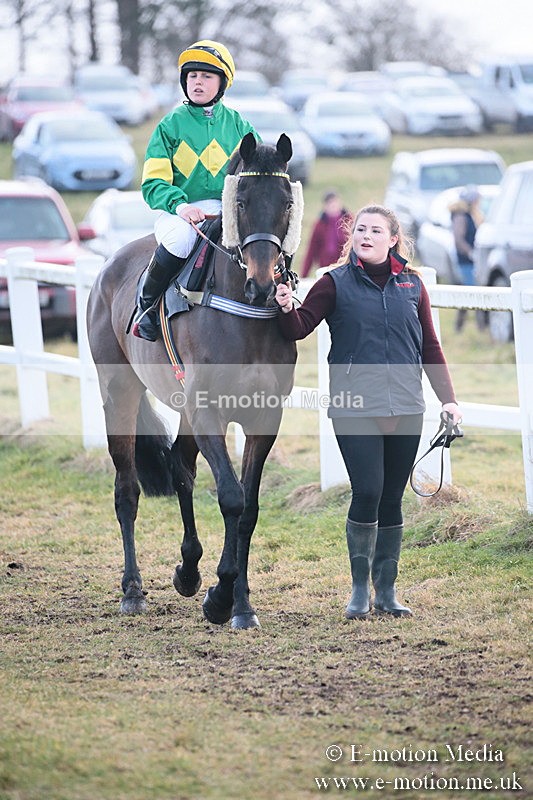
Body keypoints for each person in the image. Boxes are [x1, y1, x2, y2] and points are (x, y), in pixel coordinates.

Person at [275, 204, 462, 620]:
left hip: (407, 406)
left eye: (376, 230)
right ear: (352, 237)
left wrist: (448, 399)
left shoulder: (412, 285)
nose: (366, 235)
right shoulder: (334, 283)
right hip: (354, 406)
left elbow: (430, 346)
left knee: (393, 497)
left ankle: (387, 592)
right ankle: (360, 591)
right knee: (369, 491)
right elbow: (298, 327)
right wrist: (286, 305)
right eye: (360, 229)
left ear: (393, 238)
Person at [132, 40, 259, 340]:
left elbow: (255, 177)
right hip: (181, 212)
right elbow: (153, 183)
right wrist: (180, 206)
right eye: (192, 76)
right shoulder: (169, 126)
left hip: (228, 211)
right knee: (179, 241)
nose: (197, 82)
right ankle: (147, 307)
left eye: (206, 76)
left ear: (222, 83)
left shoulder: (241, 127)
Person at [449, 185, 482, 332]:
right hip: (466, 262)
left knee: (467, 292)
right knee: (474, 294)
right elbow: (459, 240)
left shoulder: (466, 214)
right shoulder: (461, 216)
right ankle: (482, 327)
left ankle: (459, 327)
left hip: (468, 261)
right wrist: (471, 253)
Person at [300, 190, 351, 278]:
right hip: (326, 269)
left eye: (335, 203)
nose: (333, 206)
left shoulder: (350, 221)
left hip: (346, 267)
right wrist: (303, 276)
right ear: (325, 206)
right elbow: (311, 251)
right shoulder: (319, 225)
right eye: (330, 204)